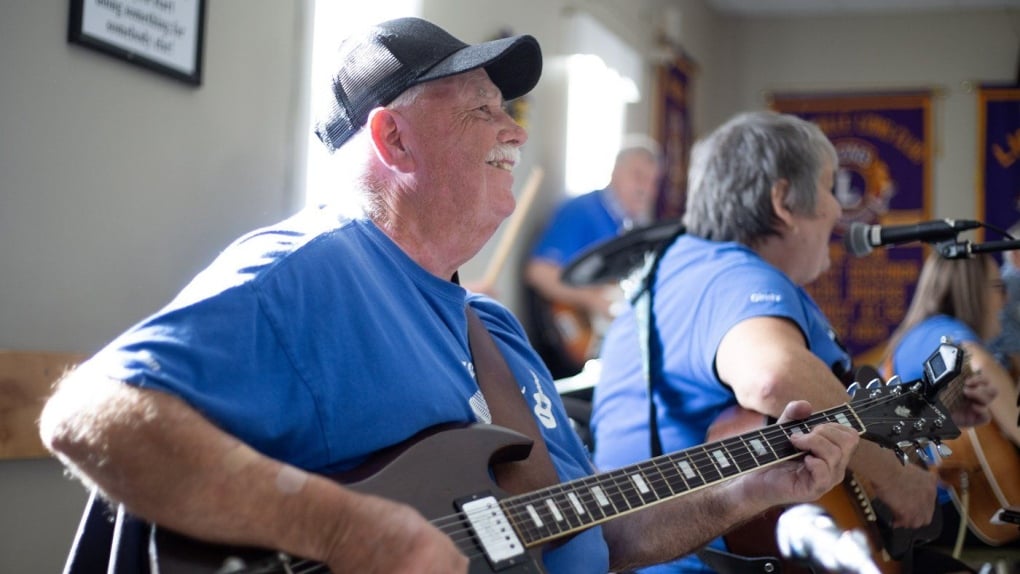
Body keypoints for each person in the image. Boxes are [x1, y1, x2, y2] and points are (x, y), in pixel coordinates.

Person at [38, 20, 859, 574]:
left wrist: (747, 489)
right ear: (392, 138)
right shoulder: (316, 269)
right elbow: (84, 415)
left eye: (510, 111)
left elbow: (588, 536)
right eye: (483, 110)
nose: (515, 131)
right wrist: (342, 529)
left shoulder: (491, 330)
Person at [590, 110, 996, 573]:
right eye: (827, 187)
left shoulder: (677, 268)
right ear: (783, 200)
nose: (837, 210)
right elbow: (772, 377)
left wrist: (931, 413)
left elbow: (816, 418)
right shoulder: (737, 275)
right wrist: (891, 476)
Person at [885, 252, 1020, 557]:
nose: (1005, 298)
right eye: (998, 286)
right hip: (943, 508)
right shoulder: (938, 329)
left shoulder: (920, 333)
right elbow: (975, 361)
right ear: (971, 292)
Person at [524, 136, 664, 377]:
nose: (646, 189)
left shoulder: (636, 226)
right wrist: (596, 300)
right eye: (638, 176)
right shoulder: (580, 210)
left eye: (653, 182)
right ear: (615, 172)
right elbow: (539, 272)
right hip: (579, 341)